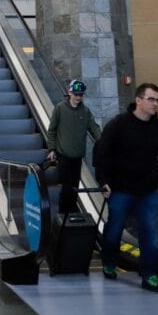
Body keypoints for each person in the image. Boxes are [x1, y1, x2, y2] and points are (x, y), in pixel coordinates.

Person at [93, 82, 158, 293]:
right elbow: (101, 153)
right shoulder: (119, 124)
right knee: (114, 229)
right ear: (138, 100)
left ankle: (150, 275)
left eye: (157, 100)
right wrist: (104, 180)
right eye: (151, 99)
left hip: (147, 191)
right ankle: (109, 261)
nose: (156, 104)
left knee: (150, 234)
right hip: (121, 189)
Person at [45, 79, 102, 214]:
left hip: (77, 157)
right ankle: (63, 215)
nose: (78, 97)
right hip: (63, 155)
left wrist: (104, 141)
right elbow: (52, 130)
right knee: (66, 188)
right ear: (69, 92)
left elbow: (94, 129)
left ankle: (71, 214)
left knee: (75, 187)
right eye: (75, 94)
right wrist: (52, 149)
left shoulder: (85, 111)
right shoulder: (60, 108)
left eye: (81, 95)